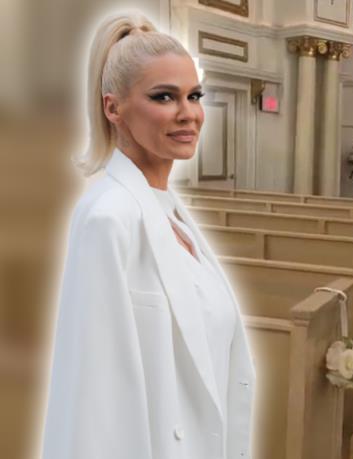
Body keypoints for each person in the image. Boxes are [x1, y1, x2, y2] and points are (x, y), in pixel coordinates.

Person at [40, 11, 256, 459]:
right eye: (164, 97)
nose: (188, 114)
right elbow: (96, 405)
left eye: (194, 96)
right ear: (113, 108)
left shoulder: (171, 214)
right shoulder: (108, 218)